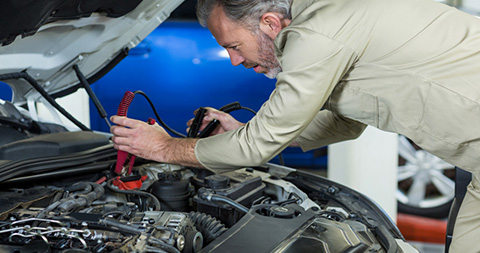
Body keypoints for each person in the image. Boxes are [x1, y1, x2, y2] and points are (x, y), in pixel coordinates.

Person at [110, 0, 480, 251]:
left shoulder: (317, 33)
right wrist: (241, 129)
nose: (234, 60)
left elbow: (261, 144)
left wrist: (162, 148)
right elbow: (344, 121)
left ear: (269, 24)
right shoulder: (330, 17)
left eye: (234, 45)